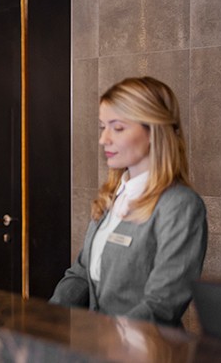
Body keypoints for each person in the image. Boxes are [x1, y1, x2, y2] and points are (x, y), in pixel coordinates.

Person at [50, 76, 207, 327]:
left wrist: (109, 340)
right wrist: (46, 320)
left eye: (118, 128)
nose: (104, 139)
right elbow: (80, 275)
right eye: (103, 127)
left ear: (154, 132)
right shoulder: (112, 195)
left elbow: (162, 304)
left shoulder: (180, 205)